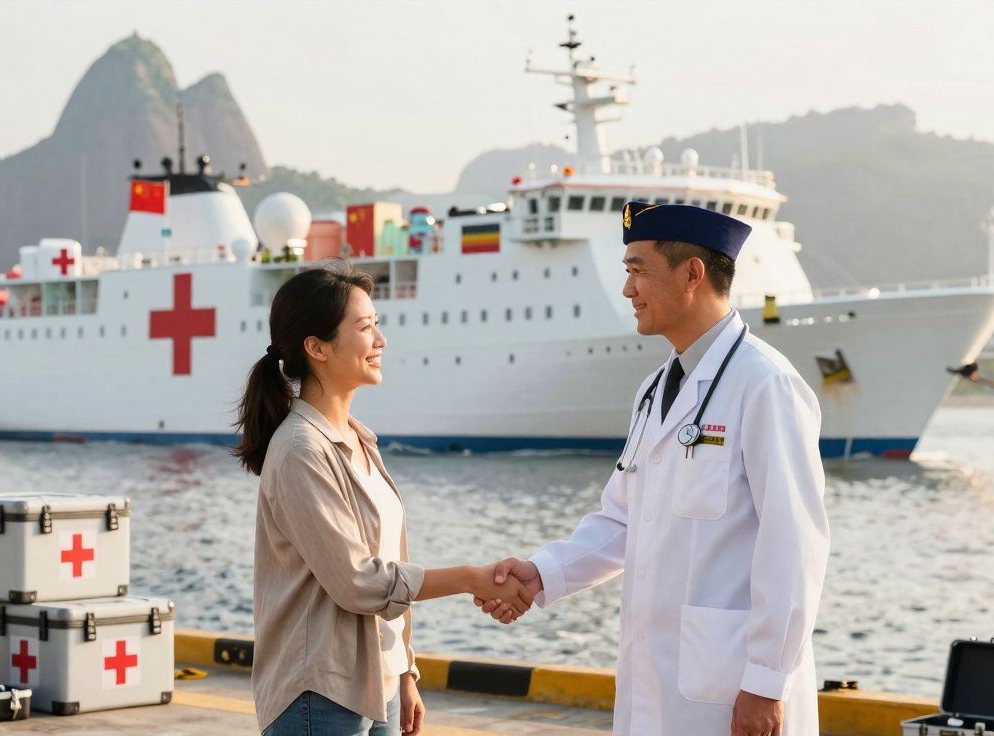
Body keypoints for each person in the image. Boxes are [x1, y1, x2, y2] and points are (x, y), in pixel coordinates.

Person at [478, 203, 830, 736]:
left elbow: (794, 543)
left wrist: (765, 680)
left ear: (692, 274)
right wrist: (543, 572)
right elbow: (623, 520)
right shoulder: (653, 392)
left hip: (733, 688)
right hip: (658, 683)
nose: (628, 289)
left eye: (638, 270)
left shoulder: (766, 384)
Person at [236, 265, 534, 736]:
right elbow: (358, 581)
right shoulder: (300, 450)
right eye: (365, 327)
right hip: (321, 692)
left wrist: (405, 669)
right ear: (316, 348)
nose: (381, 340)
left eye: (376, 324)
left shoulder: (359, 440)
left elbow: (389, 563)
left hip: (382, 683)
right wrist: (470, 578)